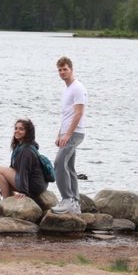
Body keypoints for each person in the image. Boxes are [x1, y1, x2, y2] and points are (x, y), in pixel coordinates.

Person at [52, 56, 86, 215]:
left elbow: (78, 113)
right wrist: (60, 134)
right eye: (59, 70)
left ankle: (67, 199)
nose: (62, 72)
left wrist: (68, 135)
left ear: (71, 69)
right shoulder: (67, 89)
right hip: (67, 133)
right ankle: (75, 204)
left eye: (65, 69)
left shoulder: (78, 88)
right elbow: (67, 115)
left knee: (59, 163)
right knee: (69, 167)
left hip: (75, 132)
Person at [0, 119, 47, 207]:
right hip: (31, 181)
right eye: (16, 128)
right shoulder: (19, 146)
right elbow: (13, 168)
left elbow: (24, 170)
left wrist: (23, 191)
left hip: (35, 185)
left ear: (28, 132)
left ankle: (6, 203)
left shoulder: (27, 150)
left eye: (21, 129)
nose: (17, 131)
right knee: (4, 176)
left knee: (0, 170)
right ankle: (9, 201)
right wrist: (4, 185)